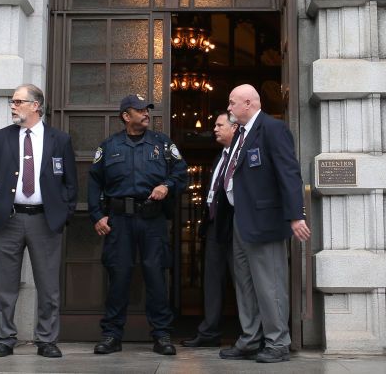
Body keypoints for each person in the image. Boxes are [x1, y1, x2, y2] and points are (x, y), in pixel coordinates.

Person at [0, 84, 77, 359]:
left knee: (48, 285)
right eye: (12, 101)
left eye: (18, 101)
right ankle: (4, 339)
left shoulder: (60, 139)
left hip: (45, 221)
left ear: (36, 105)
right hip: (6, 220)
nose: (13, 106)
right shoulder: (1, 138)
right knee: (4, 284)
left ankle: (46, 340)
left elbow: (70, 182)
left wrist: (63, 212)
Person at [87, 94, 188, 356]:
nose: (146, 114)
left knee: (156, 276)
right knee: (118, 276)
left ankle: (162, 335)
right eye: (140, 110)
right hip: (119, 221)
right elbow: (94, 182)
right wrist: (98, 215)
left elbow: (181, 172)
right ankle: (111, 335)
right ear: (126, 116)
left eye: (147, 110)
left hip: (152, 219)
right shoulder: (109, 147)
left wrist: (167, 186)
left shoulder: (162, 144)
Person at [220, 84, 310, 364]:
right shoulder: (241, 135)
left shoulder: (273, 129)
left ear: (248, 103)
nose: (229, 108)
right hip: (241, 221)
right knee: (245, 284)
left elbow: (289, 173)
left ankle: (278, 342)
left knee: (270, 283)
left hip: (265, 221)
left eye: (232, 103)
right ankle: (249, 339)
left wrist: (296, 215)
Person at [181, 111, 237, 348]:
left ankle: (254, 334)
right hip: (215, 227)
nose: (214, 128)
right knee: (211, 281)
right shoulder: (219, 157)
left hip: (236, 227)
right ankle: (209, 332)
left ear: (234, 128)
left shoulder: (241, 154)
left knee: (243, 283)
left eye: (219, 124)